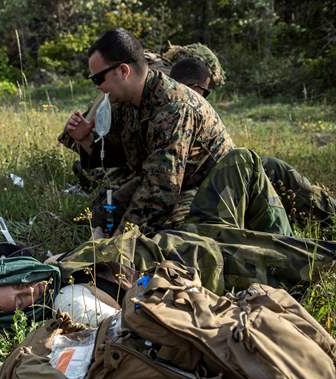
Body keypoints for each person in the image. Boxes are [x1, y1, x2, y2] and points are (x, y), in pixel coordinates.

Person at [63, 28, 249, 236]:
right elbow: (120, 157)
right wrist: (85, 139)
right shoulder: (129, 101)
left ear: (124, 71)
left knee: (170, 238)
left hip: (210, 190)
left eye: (98, 79)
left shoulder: (173, 107)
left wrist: (120, 242)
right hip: (174, 184)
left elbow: (160, 193)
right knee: (103, 211)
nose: (98, 88)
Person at [169, 58, 336, 228]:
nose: (204, 98)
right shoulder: (171, 113)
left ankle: (329, 216)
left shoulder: (191, 109)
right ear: (196, 88)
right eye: (205, 91)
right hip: (189, 194)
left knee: (274, 167)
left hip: (219, 176)